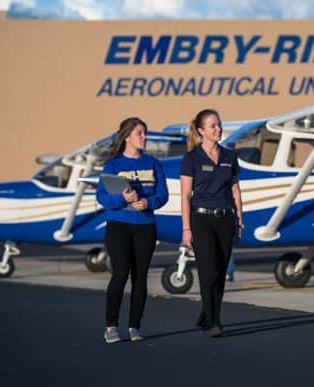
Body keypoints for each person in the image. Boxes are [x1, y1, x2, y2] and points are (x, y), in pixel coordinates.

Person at [96, 117, 168, 343]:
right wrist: (122, 198)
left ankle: (134, 327)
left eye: (145, 133)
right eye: (140, 133)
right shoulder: (114, 166)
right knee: (120, 274)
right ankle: (111, 327)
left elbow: (163, 195)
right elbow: (102, 197)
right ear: (127, 137)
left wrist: (148, 203)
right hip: (119, 225)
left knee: (141, 278)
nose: (144, 137)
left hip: (145, 226)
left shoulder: (153, 164)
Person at [180, 109, 243, 337]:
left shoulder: (230, 157)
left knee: (221, 271)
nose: (218, 129)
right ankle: (213, 322)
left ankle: (208, 312)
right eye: (213, 126)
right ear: (201, 131)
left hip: (225, 219)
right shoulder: (191, 158)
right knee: (208, 271)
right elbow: (185, 196)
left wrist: (239, 220)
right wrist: (186, 228)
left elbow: (235, 190)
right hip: (201, 219)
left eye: (219, 124)